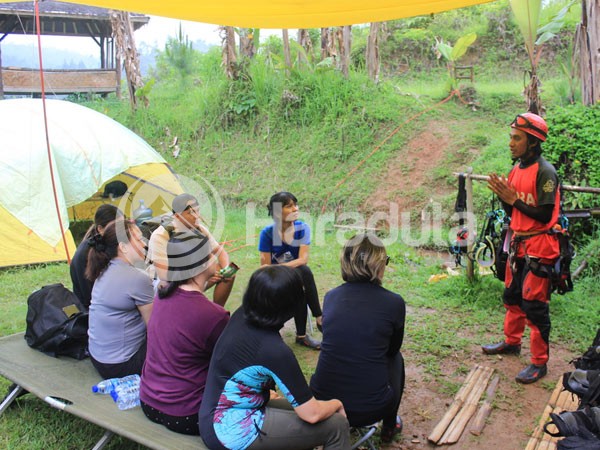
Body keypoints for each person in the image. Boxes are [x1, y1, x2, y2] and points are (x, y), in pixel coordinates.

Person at [199, 266, 350, 450]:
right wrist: (337, 403)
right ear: (290, 306)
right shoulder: (273, 350)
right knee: (336, 425)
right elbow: (311, 414)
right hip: (229, 432)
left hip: (214, 414)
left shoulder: (244, 313)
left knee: (313, 404)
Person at [483, 112, 560, 384]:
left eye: (517, 138)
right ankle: (512, 342)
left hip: (541, 244)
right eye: (511, 137)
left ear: (533, 142)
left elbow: (543, 214)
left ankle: (539, 363)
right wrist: (505, 197)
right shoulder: (516, 169)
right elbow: (512, 209)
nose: (511, 143)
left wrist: (513, 199)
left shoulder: (545, 172)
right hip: (518, 244)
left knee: (535, 305)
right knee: (512, 295)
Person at [310, 233, 405, 443]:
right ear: (379, 265)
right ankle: (389, 426)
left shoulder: (331, 296)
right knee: (396, 359)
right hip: (370, 409)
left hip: (321, 401)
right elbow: (392, 349)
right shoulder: (394, 302)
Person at [140, 230, 230, 435]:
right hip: (186, 413)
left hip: (148, 401)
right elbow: (228, 361)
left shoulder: (162, 295)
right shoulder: (213, 315)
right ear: (201, 263)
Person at [86, 218, 154, 378]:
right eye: (138, 240)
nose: (144, 244)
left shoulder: (103, 270)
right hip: (122, 366)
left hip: (98, 358)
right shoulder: (137, 279)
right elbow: (155, 328)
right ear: (123, 247)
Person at [258, 191, 323, 350]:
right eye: (289, 206)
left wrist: (279, 267)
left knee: (302, 276)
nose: (295, 209)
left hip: (294, 275)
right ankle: (320, 318)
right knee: (303, 272)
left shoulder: (302, 228)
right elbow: (265, 268)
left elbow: (303, 259)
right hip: (275, 278)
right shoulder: (267, 233)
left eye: (295, 204)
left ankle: (302, 335)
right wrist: (279, 269)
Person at [147, 193, 234, 306]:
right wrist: (204, 276)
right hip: (166, 282)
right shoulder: (161, 235)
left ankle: (218, 310)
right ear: (177, 216)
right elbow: (165, 275)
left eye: (197, 211)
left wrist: (226, 269)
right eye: (190, 213)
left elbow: (220, 252)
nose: (196, 216)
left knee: (228, 273)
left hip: (193, 275)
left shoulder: (199, 229)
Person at [70, 204, 121, 307]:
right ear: (100, 229)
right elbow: (92, 295)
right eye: (116, 227)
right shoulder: (90, 251)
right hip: (91, 310)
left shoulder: (100, 243)